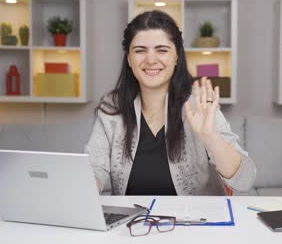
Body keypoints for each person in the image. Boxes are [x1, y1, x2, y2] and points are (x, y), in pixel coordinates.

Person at [85, 10, 256, 195]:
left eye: (162, 50)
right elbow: (95, 167)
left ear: (176, 57)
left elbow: (245, 180)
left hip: (198, 222)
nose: (151, 59)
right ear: (129, 58)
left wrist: (210, 137)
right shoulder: (112, 107)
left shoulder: (199, 104)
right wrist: (86, 190)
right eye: (140, 50)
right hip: (133, 222)